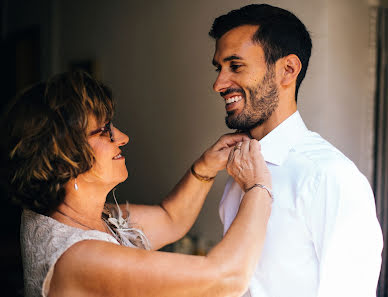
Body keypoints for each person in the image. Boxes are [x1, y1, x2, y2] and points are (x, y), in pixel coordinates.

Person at [3, 71, 273, 297]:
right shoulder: (80, 257)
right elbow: (226, 279)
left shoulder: (70, 215)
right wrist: (258, 187)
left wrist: (205, 167)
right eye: (104, 130)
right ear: (62, 159)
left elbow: (170, 219)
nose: (122, 137)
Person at [209, 4, 383, 297]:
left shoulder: (330, 177)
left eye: (235, 66)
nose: (218, 84)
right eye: (219, 68)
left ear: (287, 70)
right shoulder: (238, 167)